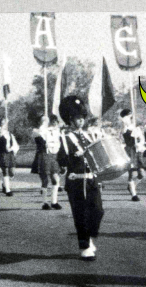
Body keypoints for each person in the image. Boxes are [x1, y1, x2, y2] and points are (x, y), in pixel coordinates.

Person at [57, 95, 104, 261]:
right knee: (81, 214)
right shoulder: (64, 138)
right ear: (70, 119)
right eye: (78, 118)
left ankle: (89, 237)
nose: (81, 121)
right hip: (76, 180)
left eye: (82, 117)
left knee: (98, 211)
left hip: (91, 179)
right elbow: (61, 160)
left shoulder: (89, 136)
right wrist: (73, 156)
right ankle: (84, 246)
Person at [31, 114, 63, 210]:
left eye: (47, 119)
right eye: (43, 119)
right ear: (39, 121)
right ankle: (44, 203)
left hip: (53, 155)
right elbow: (42, 137)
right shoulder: (36, 131)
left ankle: (54, 201)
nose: (46, 121)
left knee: (56, 179)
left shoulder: (53, 130)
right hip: (44, 155)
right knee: (45, 180)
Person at [120, 109, 146, 201]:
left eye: (130, 115)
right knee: (131, 173)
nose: (130, 117)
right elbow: (123, 134)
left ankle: (131, 186)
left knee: (141, 174)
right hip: (130, 151)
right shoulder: (124, 128)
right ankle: (134, 195)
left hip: (138, 151)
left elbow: (142, 139)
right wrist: (124, 122)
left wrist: (139, 143)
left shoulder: (136, 127)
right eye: (128, 116)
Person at [0, 118, 19, 196]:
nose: (4, 125)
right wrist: (2, 128)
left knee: (12, 173)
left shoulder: (10, 134)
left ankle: (4, 183)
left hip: (10, 154)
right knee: (5, 171)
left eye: (5, 124)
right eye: (2, 123)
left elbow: (16, 145)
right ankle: (8, 190)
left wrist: (12, 149)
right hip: (2, 153)